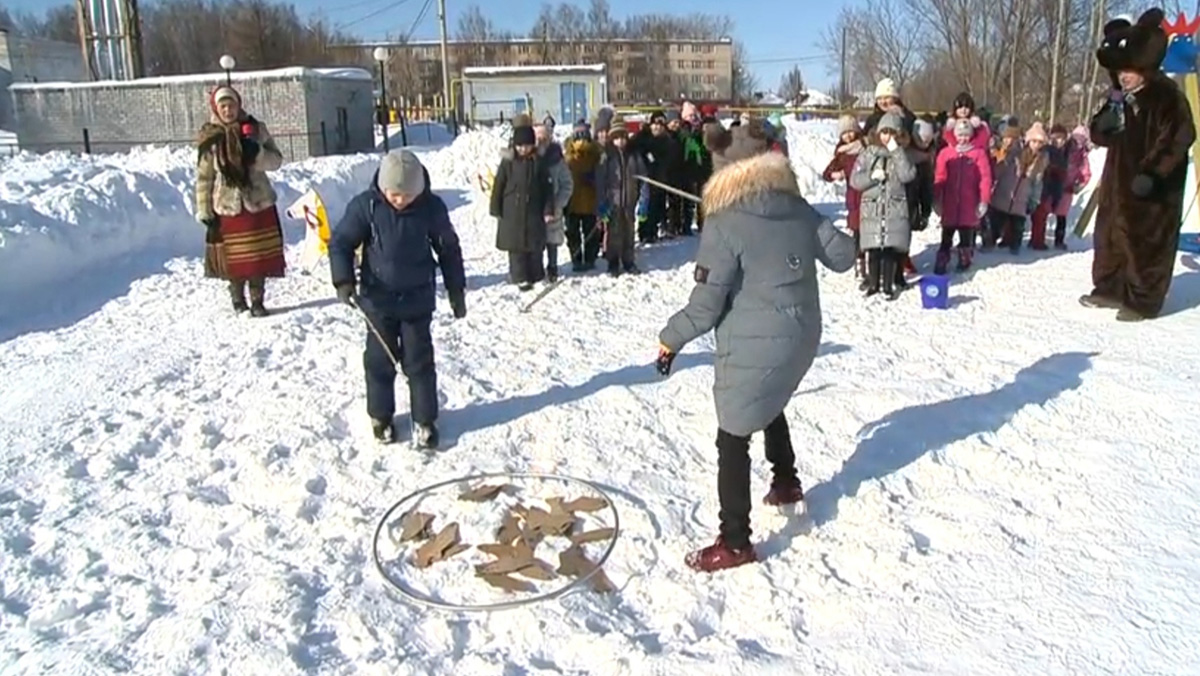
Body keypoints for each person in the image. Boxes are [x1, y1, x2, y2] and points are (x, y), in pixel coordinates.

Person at [655, 133, 857, 573]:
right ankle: (785, 483)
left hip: (755, 340)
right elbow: (844, 256)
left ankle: (735, 541)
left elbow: (705, 307)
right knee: (771, 395)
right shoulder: (797, 208)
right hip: (803, 336)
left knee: (732, 433)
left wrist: (670, 338)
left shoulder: (723, 223)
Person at [328, 150, 466, 447]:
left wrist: (456, 289)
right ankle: (381, 416)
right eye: (394, 194)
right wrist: (344, 280)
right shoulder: (366, 206)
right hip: (377, 301)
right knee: (379, 361)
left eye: (407, 195)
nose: (400, 200)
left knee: (419, 361)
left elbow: (448, 249)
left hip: (417, 300)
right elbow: (341, 242)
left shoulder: (431, 208)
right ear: (382, 187)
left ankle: (425, 419)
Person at [1082, 8, 1196, 321]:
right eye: (1120, 71)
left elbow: (1179, 136)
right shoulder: (1119, 98)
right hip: (1118, 184)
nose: (1124, 76)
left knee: (1145, 241)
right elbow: (1098, 134)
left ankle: (1143, 299)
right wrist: (1102, 124)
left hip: (1153, 188)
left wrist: (1153, 171)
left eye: (1130, 70)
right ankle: (1110, 288)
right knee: (1111, 237)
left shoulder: (1165, 96)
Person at [195, 85, 285, 316]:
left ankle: (257, 301)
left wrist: (257, 154)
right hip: (228, 207)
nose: (228, 110)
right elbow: (204, 177)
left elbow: (276, 161)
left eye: (231, 104)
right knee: (235, 259)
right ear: (216, 108)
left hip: (258, 203)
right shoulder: (210, 137)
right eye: (223, 106)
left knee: (258, 258)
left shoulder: (255, 129)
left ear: (239, 105)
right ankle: (237, 298)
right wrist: (204, 209)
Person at [850, 111, 917, 300]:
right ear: (878, 133)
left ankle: (888, 285)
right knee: (873, 248)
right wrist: (871, 177)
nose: (888, 136)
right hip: (872, 209)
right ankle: (873, 283)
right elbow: (855, 180)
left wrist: (897, 152)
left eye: (892, 132)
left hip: (894, 209)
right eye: (885, 132)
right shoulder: (868, 154)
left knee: (889, 247)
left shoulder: (902, 154)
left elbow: (907, 175)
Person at [491, 123, 555, 290]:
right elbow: (499, 185)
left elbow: (547, 188)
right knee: (516, 249)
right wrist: (495, 207)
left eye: (527, 145)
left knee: (535, 247)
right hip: (512, 213)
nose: (523, 149)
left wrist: (548, 209)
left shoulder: (539, 163)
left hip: (534, 212)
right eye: (520, 146)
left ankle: (537, 275)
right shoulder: (508, 163)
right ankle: (519, 277)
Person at [933, 118, 993, 273]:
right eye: (960, 135)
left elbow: (985, 178)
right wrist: (937, 200)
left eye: (966, 135)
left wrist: (984, 200)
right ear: (954, 135)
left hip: (968, 203)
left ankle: (964, 258)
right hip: (950, 204)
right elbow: (940, 176)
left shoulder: (978, 154)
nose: (963, 138)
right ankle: (942, 259)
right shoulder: (946, 153)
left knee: (966, 235)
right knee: (946, 236)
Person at [595, 116, 645, 276]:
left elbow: (644, 179)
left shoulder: (634, 155)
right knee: (614, 233)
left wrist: (644, 199)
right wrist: (602, 203)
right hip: (613, 203)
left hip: (630, 201)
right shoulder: (607, 157)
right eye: (616, 138)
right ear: (612, 139)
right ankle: (613, 262)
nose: (620, 141)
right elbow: (600, 181)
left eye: (623, 137)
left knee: (629, 233)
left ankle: (629, 261)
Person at [535, 123, 574, 282]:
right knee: (535, 241)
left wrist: (559, 203)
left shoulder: (557, 159)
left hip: (553, 208)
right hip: (534, 208)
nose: (540, 142)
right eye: (537, 138)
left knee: (552, 240)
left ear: (550, 138)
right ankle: (536, 269)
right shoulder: (530, 158)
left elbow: (568, 184)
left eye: (544, 138)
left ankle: (553, 267)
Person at [564, 119, 604, 271]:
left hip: (590, 201)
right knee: (573, 233)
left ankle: (589, 258)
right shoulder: (567, 156)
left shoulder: (596, 155)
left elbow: (602, 174)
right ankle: (576, 259)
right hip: (572, 202)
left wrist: (594, 178)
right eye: (578, 137)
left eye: (583, 136)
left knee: (590, 233)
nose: (581, 141)